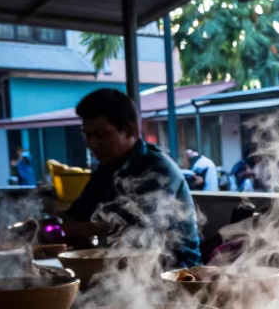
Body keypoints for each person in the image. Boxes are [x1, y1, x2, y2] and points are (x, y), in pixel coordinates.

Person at [66, 89, 201, 267]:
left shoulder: (157, 169)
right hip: (122, 271)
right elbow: (77, 216)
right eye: (87, 135)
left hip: (175, 275)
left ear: (129, 130)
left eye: (100, 135)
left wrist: (68, 230)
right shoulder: (107, 169)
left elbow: (135, 230)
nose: (92, 144)